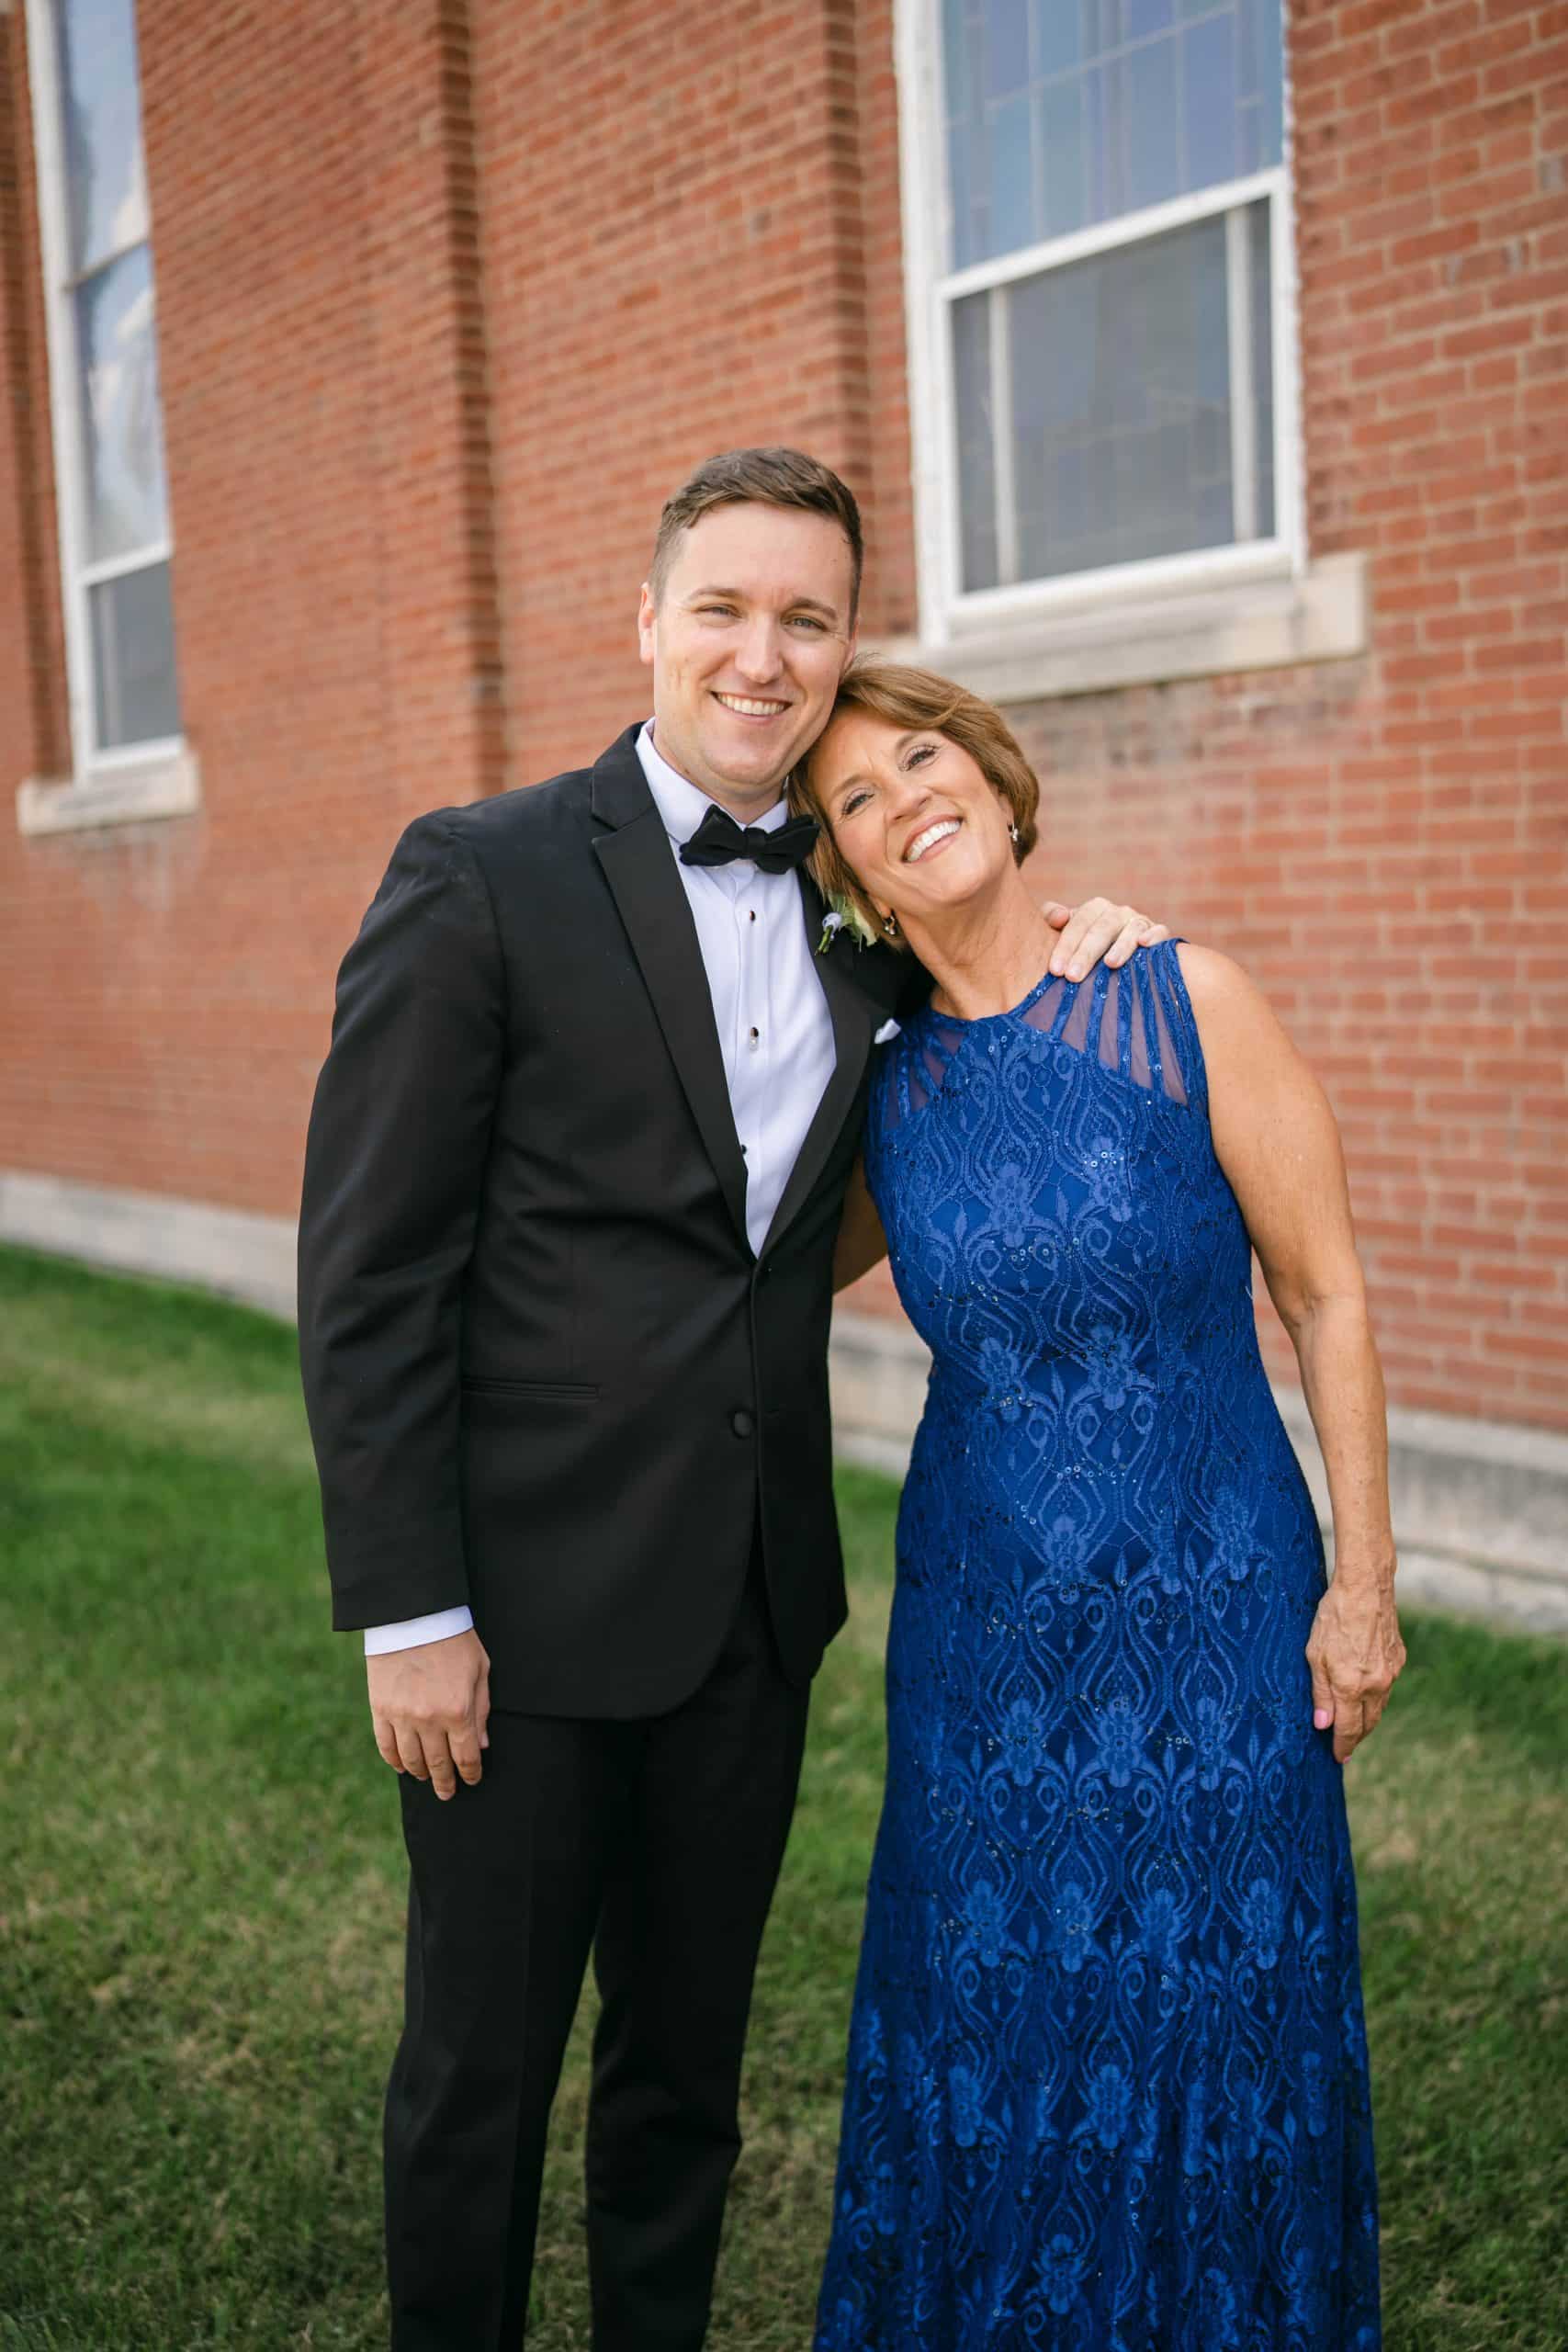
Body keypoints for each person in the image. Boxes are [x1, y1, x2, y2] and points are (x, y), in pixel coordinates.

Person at [296, 447, 1164, 2352]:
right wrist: (410, 1610)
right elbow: (371, 1272)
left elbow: (962, 1037)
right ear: (648, 620)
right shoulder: (482, 872)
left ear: (844, 642)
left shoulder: (864, 908)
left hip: (754, 1612)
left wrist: (1087, 940)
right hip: (520, 1615)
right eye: (724, 608)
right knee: (479, 2077)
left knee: (683, 2079)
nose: (762, 655)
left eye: (806, 618)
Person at [792, 662, 1404, 2352]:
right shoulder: (882, 1091)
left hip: (1220, 1609)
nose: (907, 799)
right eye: (857, 802)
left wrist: (1364, 1584)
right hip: (986, 1645)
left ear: (995, 779)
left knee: (1221, 1996)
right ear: (851, 878)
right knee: (999, 2008)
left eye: (925, 757)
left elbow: (1326, 1293)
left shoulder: (1183, 998)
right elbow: (756, 1266)